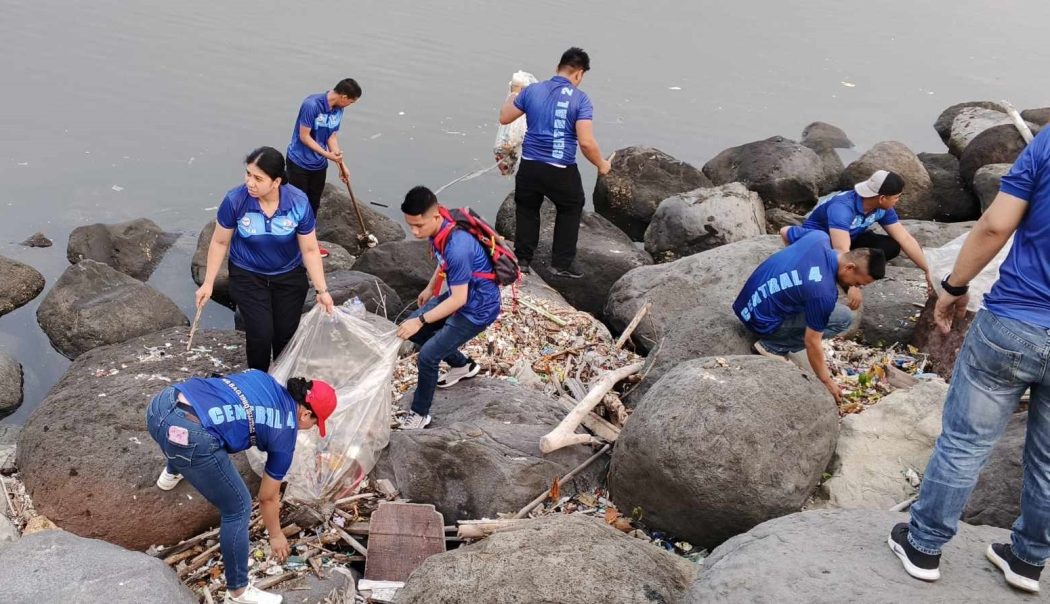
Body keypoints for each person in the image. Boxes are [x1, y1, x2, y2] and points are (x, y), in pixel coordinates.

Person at [889, 128, 1050, 594]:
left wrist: (954, 286)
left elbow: (996, 226)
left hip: (1014, 322)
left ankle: (924, 545)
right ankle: (1027, 560)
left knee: (965, 443)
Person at [147, 370, 337, 604]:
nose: (312, 428)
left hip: (161, 406)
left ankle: (172, 472)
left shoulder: (263, 378)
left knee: (204, 424)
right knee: (238, 507)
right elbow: (267, 497)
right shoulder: (284, 435)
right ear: (306, 414)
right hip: (188, 437)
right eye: (315, 423)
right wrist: (276, 535)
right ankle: (238, 592)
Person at [196, 147, 334, 371]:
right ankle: (257, 380)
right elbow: (220, 242)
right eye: (248, 174)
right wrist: (208, 283)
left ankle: (281, 380)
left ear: (276, 182)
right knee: (260, 334)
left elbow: (309, 249)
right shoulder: (235, 200)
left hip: (288, 275)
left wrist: (322, 290)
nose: (250, 183)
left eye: (258, 178)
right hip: (247, 275)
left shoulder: (298, 202)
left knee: (285, 335)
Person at [732, 230, 885, 403]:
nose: (856, 287)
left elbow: (784, 231)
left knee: (805, 296)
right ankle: (773, 347)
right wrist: (826, 381)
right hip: (761, 322)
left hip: (745, 305)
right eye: (857, 283)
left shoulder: (818, 238)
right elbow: (812, 342)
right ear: (849, 267)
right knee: (844, 317)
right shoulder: (824, 293)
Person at [498, 47, 611, 279]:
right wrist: (602, 165)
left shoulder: (532, 91)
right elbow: (586, 142)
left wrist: (514, 93)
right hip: (561, 169)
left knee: (527, 209)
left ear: (557, 68)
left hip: (530, 166)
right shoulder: (581, 99)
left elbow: (505, 117)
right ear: (579, 73)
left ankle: (523, 260)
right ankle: (561, 263)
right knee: (571, 206)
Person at [395, 186, 501, 429]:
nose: (414, 231)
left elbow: (458, 300)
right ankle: (463, 366)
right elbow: (443, 260)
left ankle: (419, 414)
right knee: (414, 331)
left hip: (477, 308)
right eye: (410, 225)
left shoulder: (458, 246)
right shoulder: (442, 225)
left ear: (435, 216)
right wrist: (430, 287)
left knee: (428, 356)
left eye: (418, 226)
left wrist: (420, 320)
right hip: (461, 293)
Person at [780, 170, 934, 309]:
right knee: (830, 257)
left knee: (891, 246)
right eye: (896, 197)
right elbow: (841, 249)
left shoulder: (881, 208)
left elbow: (905, 238)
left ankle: (850, 272)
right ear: (882, 198)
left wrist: (928, 270)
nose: (897, 201)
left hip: (850, 237)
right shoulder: (842, 208)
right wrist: (852, 286)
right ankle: (841, 276)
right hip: (823, 241)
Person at [286, 78, 361, 257]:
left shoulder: (339, 110)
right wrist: (327, 154)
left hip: (318, 164)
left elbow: (331, 136)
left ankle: (309, 242)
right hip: (299, 161)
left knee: (313, 204)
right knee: (298, 204)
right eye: (351, 101)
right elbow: (304, 136)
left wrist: (341, 165)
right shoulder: (312, 105)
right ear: (344, 97)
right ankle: (291, 243)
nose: (350, 105)